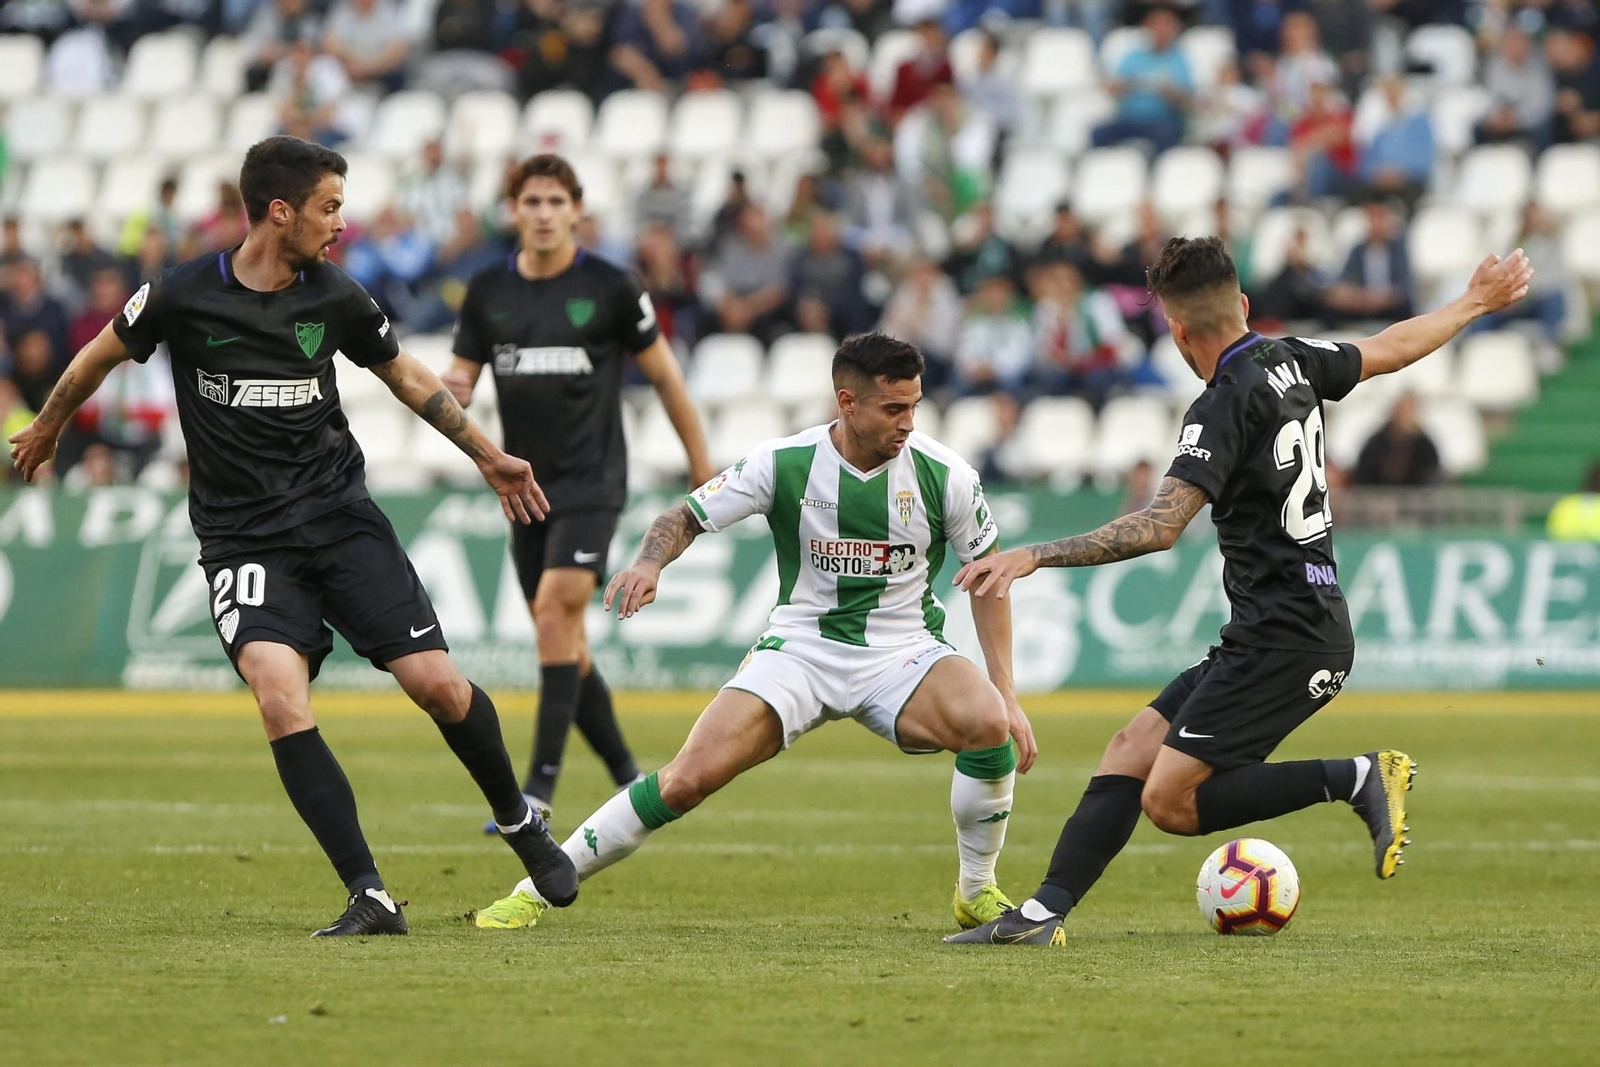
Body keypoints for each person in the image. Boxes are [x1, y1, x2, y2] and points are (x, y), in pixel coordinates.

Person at [7, 136, 579, 937]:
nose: (340, 223)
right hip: (243, 541)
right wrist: (47, 425)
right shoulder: (181, 293)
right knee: (281, 697)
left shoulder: (334, 295)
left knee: (439, 687)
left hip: (341, 521)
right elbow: (98, 357)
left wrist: (487, 456)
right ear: (282, 212)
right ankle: (370, 894)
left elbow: (407, 374)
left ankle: (519, 820)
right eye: (330, 207)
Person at [946, 235, 1533, 945]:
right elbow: (1391, 346)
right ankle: (1039, 916)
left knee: (1170, 800)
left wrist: (1034, 553)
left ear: (1178, 330)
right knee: (1131, 748)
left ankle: (1356, 776)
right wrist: (1473, 301)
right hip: (1277, 627)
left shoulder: (1221, 403)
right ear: (1245, 307)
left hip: (1290, 638)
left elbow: (1160, 527)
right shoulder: (1291, 358)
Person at [472, 332, 1039, 934]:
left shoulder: (946, 474)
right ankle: (534, 889)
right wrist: (648, 563)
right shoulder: (785, 462)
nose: (908, 422)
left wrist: (1006, 689)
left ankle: (978, 890)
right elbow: (683, 515)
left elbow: (990, 578)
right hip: (800, 649)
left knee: (987, 723)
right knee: (687, 778)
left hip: (903, 651)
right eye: (893, 408)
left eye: (915, 407)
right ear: (847, 402)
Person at [442, 154, 714, 831]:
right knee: (564, 635)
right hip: (522, 487)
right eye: (529, 201)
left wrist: (701, 466)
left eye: (554, 201)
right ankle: (628, 773)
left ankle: (536, 790)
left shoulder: (612, 286)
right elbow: (458, 384)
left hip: (593, 481)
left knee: (553, 607)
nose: (541, 213)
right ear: (513, 210)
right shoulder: (485, 292)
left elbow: (667, 379)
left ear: (575, 210)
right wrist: (453, 411)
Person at [1352, 392, 1441, 487]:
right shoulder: (1376, 443)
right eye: (1401, 411)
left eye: (1407, 411)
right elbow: (1364, 472)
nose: (1403, 416)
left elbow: (1430, 476)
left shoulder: (1426, 447)